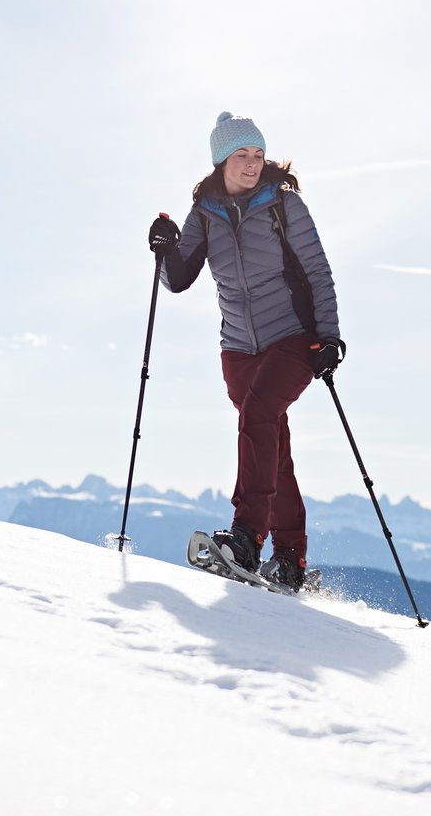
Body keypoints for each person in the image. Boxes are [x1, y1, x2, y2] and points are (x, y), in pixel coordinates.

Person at [146, 113, 343, 589]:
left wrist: (330, 336)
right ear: (221, 160)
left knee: (257, 418)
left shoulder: (284, 205)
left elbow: (318, 270)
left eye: (258, 154)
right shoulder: (204, 215)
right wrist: (162, 248)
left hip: (293, 337)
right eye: (242, 155)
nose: (253, 163)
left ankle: (247, 539)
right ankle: (291, 560)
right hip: (237, 347)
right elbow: (178, 279)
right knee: (272, 447)